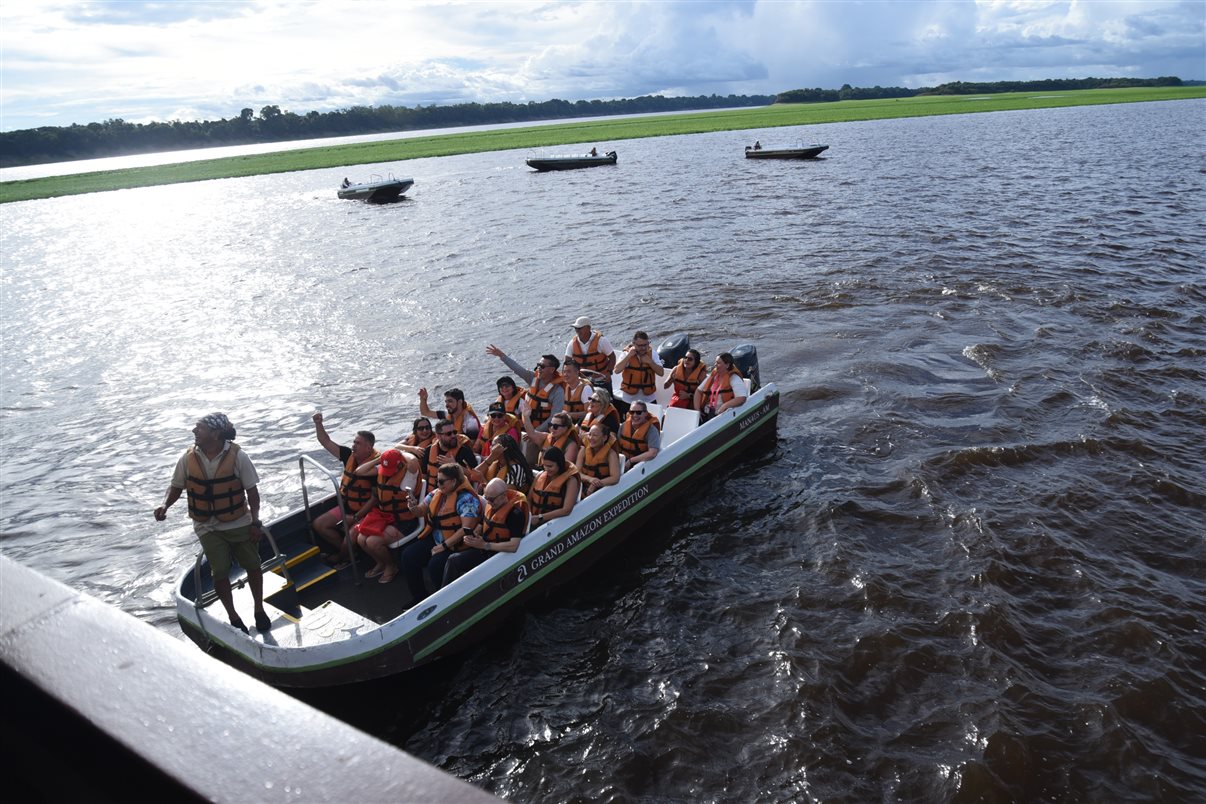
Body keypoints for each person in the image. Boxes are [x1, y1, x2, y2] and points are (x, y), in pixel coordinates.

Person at [154, 413, 270, 634]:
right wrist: (164, 505)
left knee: (253, 565)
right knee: (219, 571)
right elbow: (176, 486)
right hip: (207, 526)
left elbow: (252, 492)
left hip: (238, 522)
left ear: (215, 434)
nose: (194, 431)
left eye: (200, 428)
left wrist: (255, 522)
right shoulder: (188, 458)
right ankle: (234, 617)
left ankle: (259, 609)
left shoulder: (238, 456)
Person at [401, 463, 482, 600]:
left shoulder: (467, 500)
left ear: (454, 481)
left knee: (436, 565)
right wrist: (412, 506)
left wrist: (443, 546)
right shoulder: (436, 494)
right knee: (408, 555)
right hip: (437, 539)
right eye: (437, 481)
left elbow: (466, 529)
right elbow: (420, 511)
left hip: (456, 545)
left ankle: (446, 600)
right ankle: (419, 597)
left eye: (442, 481)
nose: (438, 484)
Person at [310, 413, 379, 565]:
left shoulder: (375, 467)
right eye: (354, 442)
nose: (353, 445)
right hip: (347, 506)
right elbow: (325, 441)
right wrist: (318, 423)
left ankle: (341, 558)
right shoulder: (348, 455)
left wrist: (356, 518)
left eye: (358, 443)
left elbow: (375, 499)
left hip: (365, 512)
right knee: (319, 524)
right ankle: (349, 553)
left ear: (369, 448)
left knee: (351, 536)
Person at [351, 448, 421, 584]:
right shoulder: (383, 469)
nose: (388, 473)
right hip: (385, 517)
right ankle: (381, 562)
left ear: (400, 464)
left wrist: (399, 453)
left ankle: (391, 566)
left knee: (372, 541)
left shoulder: (409, 475)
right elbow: (359, 471)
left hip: (404, 521)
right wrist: (380, 459)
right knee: (360, 538)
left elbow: (413, 460)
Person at [443, 478, 529, 585]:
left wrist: (485, 545)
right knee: (453, 560)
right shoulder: (490, 505)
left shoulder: (515, 514)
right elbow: (481, 524)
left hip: (501, 556)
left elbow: (514, 546)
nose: (488, 502)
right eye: (486, 498)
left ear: (504, 495)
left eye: (491, 499)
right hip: (485, 549)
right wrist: (473, 536)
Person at [528, 446, 580, 530]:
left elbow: (567, 510)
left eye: (550, 466)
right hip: (534, 521)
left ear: (559, 464)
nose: (546, 469)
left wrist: (540, 517)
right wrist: (529, 515)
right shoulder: (540, 475)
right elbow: (529, 499)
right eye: (544, 466)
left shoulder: (570, 481)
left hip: (555, 523)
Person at [421, 419, 478, 492]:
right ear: (438, 436)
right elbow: (424, 476)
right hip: (433, 493)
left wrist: (456, 466)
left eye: (454, 432)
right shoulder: (429, 451)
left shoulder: (465, 451)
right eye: (449, 434)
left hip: (458, 493)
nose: (453, 436)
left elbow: (475, 476)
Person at [613, 330, 664, 405]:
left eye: (645, 345)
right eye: (640, 345)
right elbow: (616, 370)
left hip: (649, 399)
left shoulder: (652, 354)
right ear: (633, 344)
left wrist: (650, 362)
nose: (643, 348)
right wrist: (628, 356)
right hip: (629, 399)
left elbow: (661, 373)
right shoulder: (626, 354)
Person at [694, 352, 749, 420]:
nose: (715, 365)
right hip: (707, 413)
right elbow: (698, 391)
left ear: (727, 365)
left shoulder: (734, 378)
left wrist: (725, 406)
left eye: (718, 363)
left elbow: (741, 398)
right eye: (715, 362)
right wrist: (697, 411)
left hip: (722, 416)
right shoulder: (714, 376)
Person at [577, 423, 621, 498]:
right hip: (584, 487)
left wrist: (596, 484)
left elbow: (615, 478)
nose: (591, 438)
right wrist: (590, 479)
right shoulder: (583, 450)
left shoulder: (611, 454)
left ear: (604, 438)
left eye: (595, 435)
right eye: (589, 434)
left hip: (602, 490)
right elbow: (577, 473)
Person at [617, 401, 661, 469]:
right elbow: (617, 445)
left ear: (645, 414)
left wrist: (631, 461)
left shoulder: (651, 430)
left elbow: (653, 453)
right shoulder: (623, 426)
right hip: (622, 462)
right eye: (632, 412)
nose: (635, 415)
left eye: (638, 412)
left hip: (641, 465)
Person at [561, 359, 594, 423]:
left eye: (569, 372)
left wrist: (569, 415)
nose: (565, 374)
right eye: (564, 372)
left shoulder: (586, 389)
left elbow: (589, 413)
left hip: (581, 424)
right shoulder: (566, 386)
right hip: (568, 423)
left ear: (577, 372)